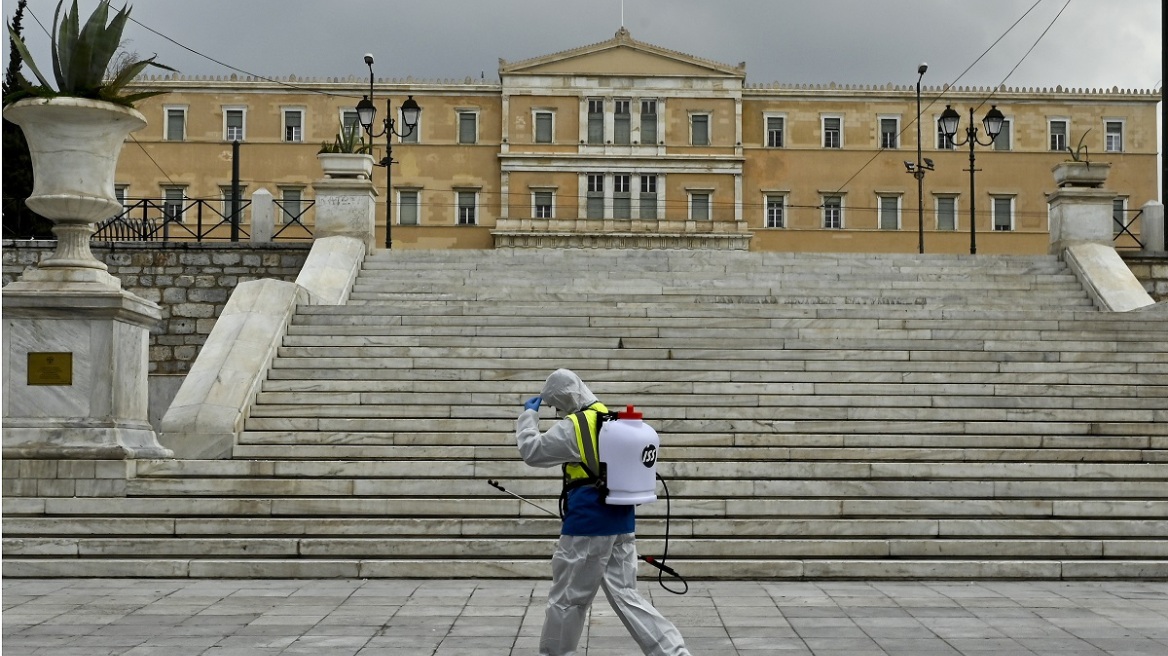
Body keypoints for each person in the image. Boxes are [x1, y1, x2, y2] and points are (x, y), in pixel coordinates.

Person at [516, 368, 691, 656]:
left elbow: (532, 452)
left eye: (556, 405)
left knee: (568, 598)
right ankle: (673, 652)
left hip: (587, 523)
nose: (557, 412)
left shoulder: (575, 425)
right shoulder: (611, 418)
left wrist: (528, 418)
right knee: (627, 595)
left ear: (563, 398)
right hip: (621, 520)